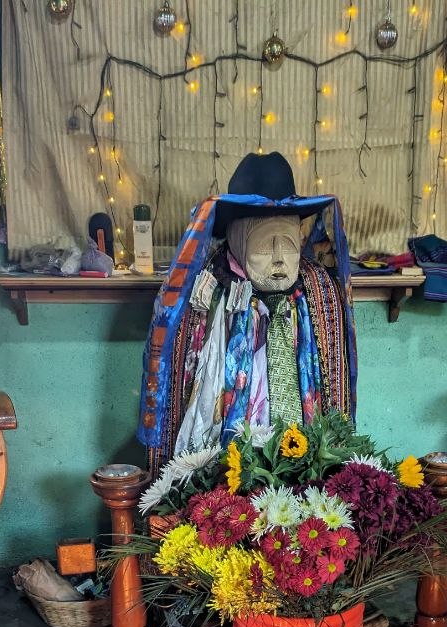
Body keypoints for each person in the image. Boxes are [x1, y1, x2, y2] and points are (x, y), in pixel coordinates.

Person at [137, 151, 357, 474]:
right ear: (238, 242)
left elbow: (335, 391)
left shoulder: (320, 290)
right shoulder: (205, 292)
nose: (280, 259)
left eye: (290, 245)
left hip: (304, 465)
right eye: (267, 245)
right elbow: (178, 390)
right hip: (228, 474)